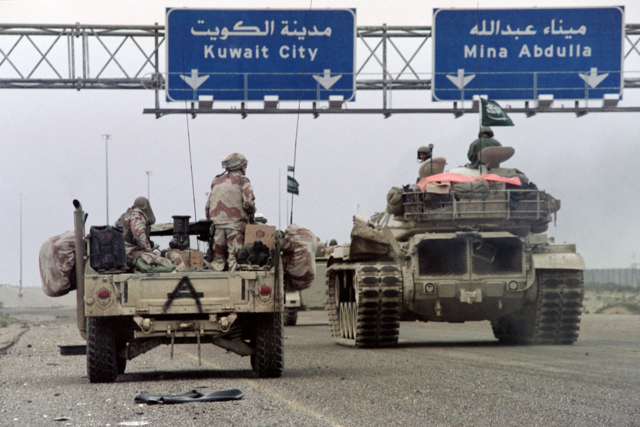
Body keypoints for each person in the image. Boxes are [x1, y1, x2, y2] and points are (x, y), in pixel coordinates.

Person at [205, 153, 257, 271]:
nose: (246, 168)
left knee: (218, 262)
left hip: (217, 228)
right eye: (245, 165)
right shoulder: (242, 180)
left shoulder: (217, 181)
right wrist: (252, 213)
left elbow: (208, 207)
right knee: (235, 261)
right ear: (240, 166)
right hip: (235, 228)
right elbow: (249, 203)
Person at [117, 197, 186, 272]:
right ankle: (176, 278)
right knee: (167, 263)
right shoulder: (137, 215)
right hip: (132, 255)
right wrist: (149, 251)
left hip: (125, 255)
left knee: (174, 256)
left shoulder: (123, 217)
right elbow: (139, 236)